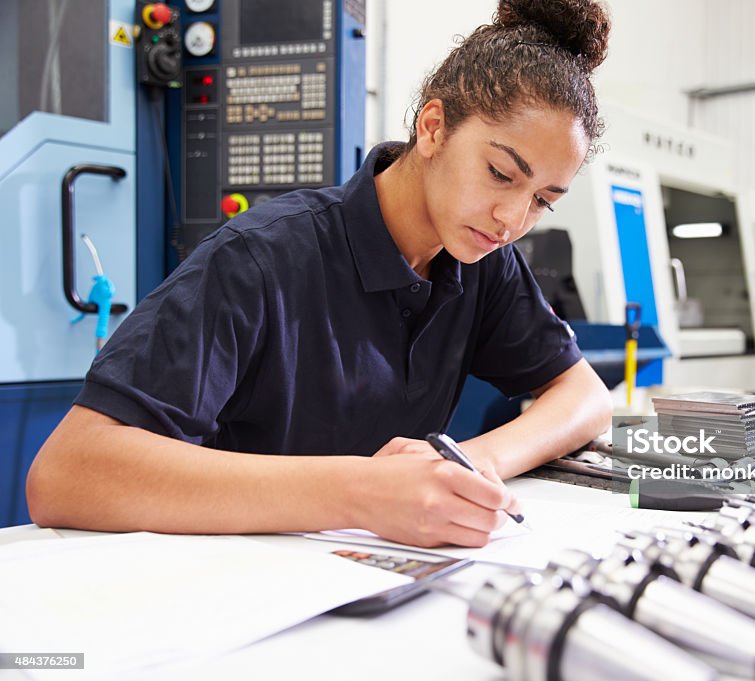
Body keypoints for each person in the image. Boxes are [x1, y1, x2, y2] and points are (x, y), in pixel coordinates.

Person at [26, 0, 613, 548]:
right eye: (499, 173)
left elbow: (584, 396)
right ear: (433, 127)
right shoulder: (262, 257)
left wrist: (469, 461)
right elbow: (67, 473)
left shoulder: (483, 263)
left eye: (542, 200)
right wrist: (360, 493)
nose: (512, 219)